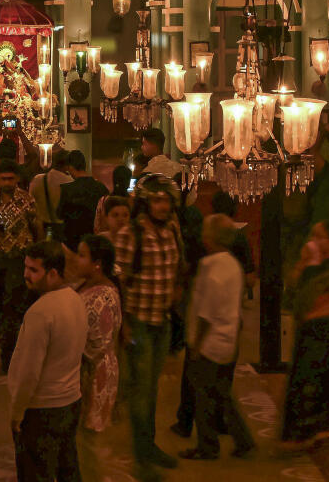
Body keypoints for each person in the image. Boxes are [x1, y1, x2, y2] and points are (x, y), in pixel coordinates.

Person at [114, 173, 185, 481]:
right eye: (156, 200)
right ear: (145, 203)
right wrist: (123, 325)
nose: (162, 205)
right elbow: (119, 281)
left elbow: (177, 269)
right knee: (141, 393)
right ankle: (142, 459)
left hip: (162, 321)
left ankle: (150, 446)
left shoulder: (171, 230)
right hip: (139, 321)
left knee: (152, 389)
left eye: (166, 200)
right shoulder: (131, 234)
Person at [177, 214, 255, 460]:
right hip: (228, 339)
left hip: (210, 344)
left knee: (203, 396)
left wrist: (196, 346)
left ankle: (207, 447)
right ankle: (244, 440)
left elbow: (205, 314)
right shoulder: (233, 265)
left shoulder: (211, 269)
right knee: (222, 394)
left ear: (209, 237)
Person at [9, 241, 87, 482]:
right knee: (67, 469)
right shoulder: (76, 300)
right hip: (71, 402)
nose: (26, 275)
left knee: (36, 473)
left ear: (53, 273)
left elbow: (29, 373)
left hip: (42, 409)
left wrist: (17, 412)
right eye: (25, 267)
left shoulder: (40, 313)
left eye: (34, 270)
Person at [280, 219, 329, 450]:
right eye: (313, 235)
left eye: (320, 236)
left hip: (327, 331)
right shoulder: (313, 264)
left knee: (321, 381)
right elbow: (293, 288)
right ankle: (313, 431)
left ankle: (317, 430)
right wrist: (303, 263)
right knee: (306, 379)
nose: (314, 241)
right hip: (307, 330)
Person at [0, 160, 39, 371]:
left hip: (18, 256)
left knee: (13, 305)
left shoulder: (26, 199)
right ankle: (3, 337)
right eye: (3, 179)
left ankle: (9, 355)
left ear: (18, 179)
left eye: (11, 179)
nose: (7, 182)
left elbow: (36, 225)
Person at [73, 235, 121, 432]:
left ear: (97, 264)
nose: (77, 260)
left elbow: (100, 344)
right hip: (86, 370)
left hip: (95, 374)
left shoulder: (103, 297)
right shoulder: (87, 284)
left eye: (82, 255)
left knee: (89, 440)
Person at [57, 150, 109, 250]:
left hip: (72, 241)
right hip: (94, 239)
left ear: (70, 167)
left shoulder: (67, 189)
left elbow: (59, 213)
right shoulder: (101, 188)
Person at [29, 148, 72, 241]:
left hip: (42, 229)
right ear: (68, 165)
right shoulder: (71, 182)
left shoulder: (38, 179)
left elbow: (29, 202)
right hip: (63, 229)